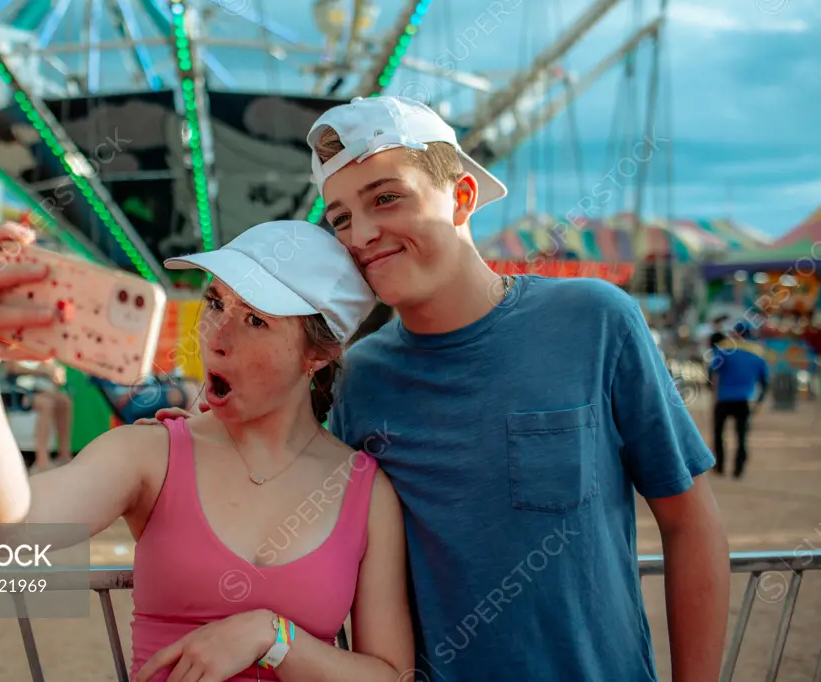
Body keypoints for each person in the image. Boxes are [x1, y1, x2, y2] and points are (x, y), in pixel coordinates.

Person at [151, 96, 730, 682]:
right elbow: (299, 504)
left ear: (461, 196)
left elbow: (689, 520)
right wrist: (191, 444)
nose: (362, 235)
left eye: (386, 198)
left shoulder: (594, 320)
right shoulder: (362, 376)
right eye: (341, 217)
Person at [0, 221, 414, 681]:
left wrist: (273, 637)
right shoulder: (152, 455)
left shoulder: (365, 491)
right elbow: (8, 531)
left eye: (255, 320)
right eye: (215, 302)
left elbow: (392, 675)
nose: (216, 337)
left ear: (318, 356)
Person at [709, 321, 770, 479]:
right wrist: (759, 401)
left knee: (718, 434)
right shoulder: (758, 354)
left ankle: (719, 467)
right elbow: (765, 382)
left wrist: (712, 392)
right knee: (741, 436)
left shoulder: (724, 350)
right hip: (745, 400)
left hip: (723, 399)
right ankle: (738, 469)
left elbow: (712, 372)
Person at [5, 359, 73, 470]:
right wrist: (43, 372)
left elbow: (53, 367)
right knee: (46, 404)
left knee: (65, 401)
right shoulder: (14, 348)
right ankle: (42, 460)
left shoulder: (41, 351)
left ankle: (64, 455)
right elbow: (12, 368)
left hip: (39, 391)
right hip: (15, 391)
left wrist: (57, 374)